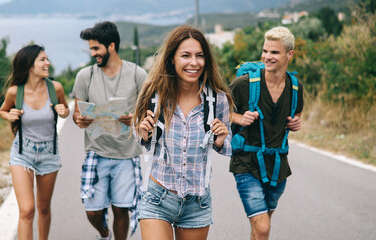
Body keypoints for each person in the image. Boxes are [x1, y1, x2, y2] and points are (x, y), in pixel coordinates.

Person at [132, 25, 233, 240]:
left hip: (197, 203)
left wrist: (221, 141)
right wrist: (144, 134)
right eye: (185, 55)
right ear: (172, 59)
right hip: (158, 197)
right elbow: (139, 137)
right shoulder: (153, 96)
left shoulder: (217, 101)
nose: (193, 62)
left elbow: (228, 144)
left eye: (200, 56)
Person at [71, 21, 148, 240]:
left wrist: (135, 118)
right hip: (97, 153)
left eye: (96, 48)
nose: (92, 52)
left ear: (111, 46)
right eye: (91, 48)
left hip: (126, 154)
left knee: (121, 209)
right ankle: (104, 233)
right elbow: (78, 114)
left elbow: (151, 109)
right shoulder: (85, 76)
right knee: (93, 211)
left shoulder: (137, 74)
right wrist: (80, 120)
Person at [229, 26, 304, 240]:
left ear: (290, 54)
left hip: (278, 166)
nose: (267, 57)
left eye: (274, 52)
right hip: (246, 163)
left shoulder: (295, 87)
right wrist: (238, 118)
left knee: (262, 225)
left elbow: (297, 112)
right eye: (265, 51)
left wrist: (296, 122)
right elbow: (219, 112)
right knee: (262, 227)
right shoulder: (243, 85)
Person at [0, 44, 69, 240]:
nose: (48, 63)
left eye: (47, 59)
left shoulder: (55, 88)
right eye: (43, 60)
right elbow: (3, 110)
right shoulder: (15, 92)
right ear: (30, 65)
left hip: (49, 153)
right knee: (27, 210)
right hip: (23, 152)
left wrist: (64, 111)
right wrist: (9, 115)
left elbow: (65, 109)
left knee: (43, 208)